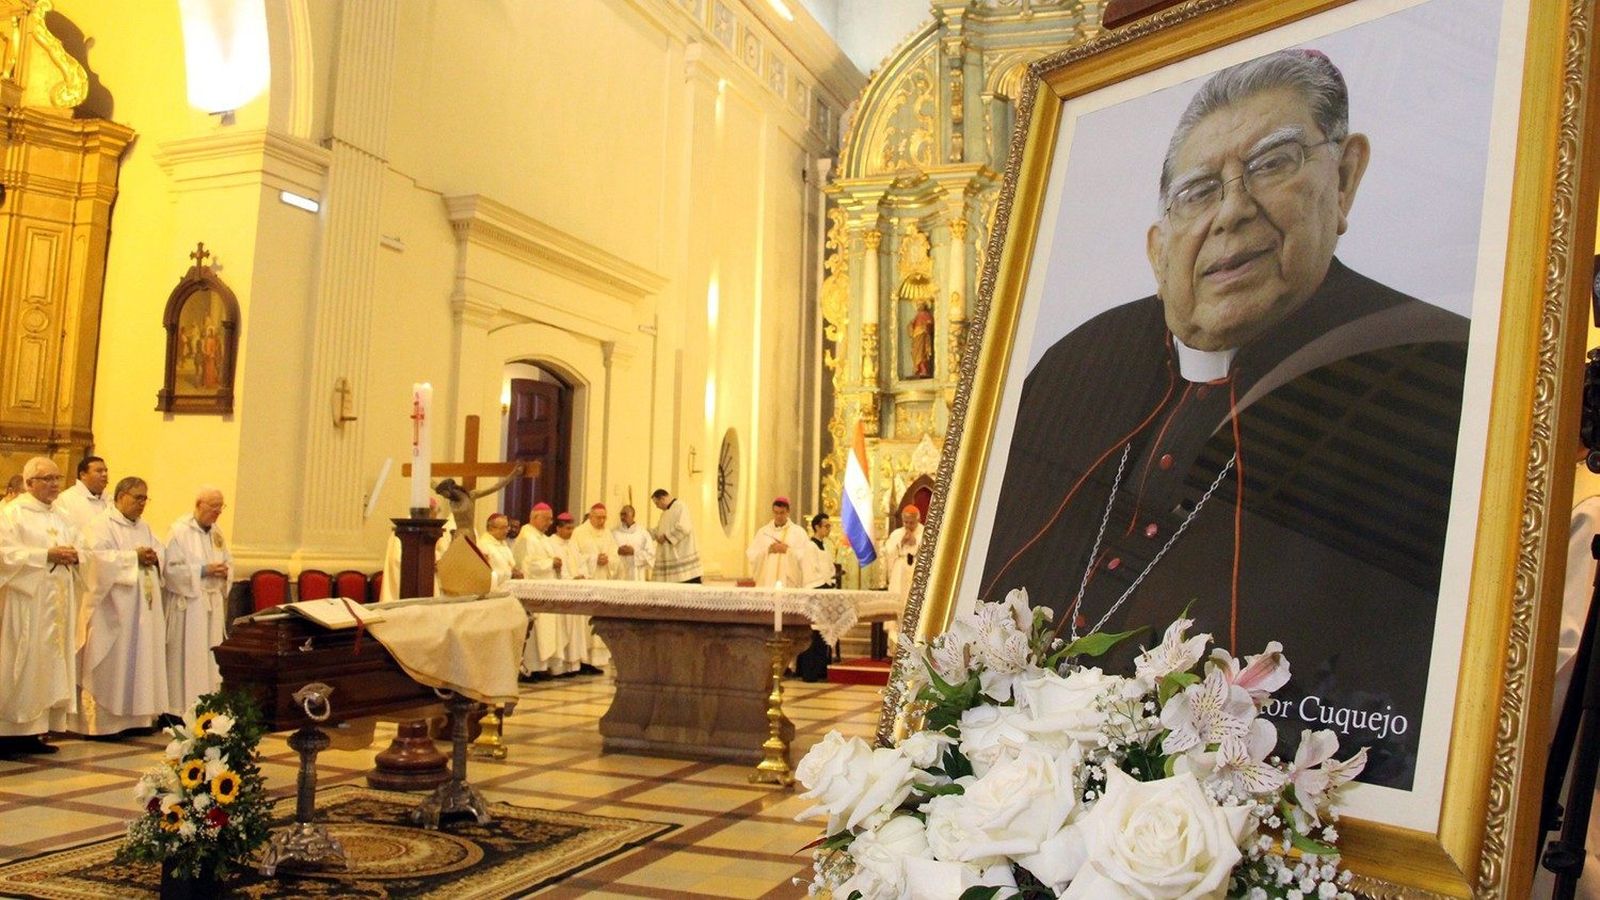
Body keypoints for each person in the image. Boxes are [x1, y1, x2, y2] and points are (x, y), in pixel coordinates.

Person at [978, 48, 1468, 790]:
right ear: (1157, 247)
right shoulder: (1073, 367)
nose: (1232, 210)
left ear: (1346, 176)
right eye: (1198, 191)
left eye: (1273, 163)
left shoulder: (1432, 368)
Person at [72, 477, 168, 736]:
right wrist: (132, 558)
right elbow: (93, 562)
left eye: (145, 499)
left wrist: (154, 556)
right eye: (138, 498)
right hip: (112, 610)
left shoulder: (144, 526)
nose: (142, 504)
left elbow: (160, 550)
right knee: (114, 661)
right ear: (121, 495)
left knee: (140, 658)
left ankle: (137, 718)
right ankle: (106, 723)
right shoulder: (100, 526)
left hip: (142, 609)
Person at [0, 458, 83, 755]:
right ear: (29, 482)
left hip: (56, 601)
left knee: (47, 664)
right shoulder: (12, 514)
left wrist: (75, 554)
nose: (54, 484)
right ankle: (7, 733)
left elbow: (79, 545)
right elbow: (4, 553)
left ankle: (34, 731)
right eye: (47, 478)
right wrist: (46, 555)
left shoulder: (59, 515)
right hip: (25, 602)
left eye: (57, 478)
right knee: (20, 661)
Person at [163, 487, 231, 716]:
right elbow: (170, 569)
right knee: (187, 656)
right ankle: (178, 708)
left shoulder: (217, 533)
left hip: (211, 602)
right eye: (213, 507)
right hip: (189, 604)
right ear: (199, 504)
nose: (217, 512)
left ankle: (207, 705)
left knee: (209, 656)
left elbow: (227, 560)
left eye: (220, 507)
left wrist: (225, 572)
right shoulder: (179, 531)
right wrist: (202, 570)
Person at [745, 497, 809, 588]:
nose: (779, 516)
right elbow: (752, 554)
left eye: (782, 513)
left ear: (788, 512)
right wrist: (768, 550)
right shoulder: (763, 532)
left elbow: (807, 557)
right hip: (768, 580)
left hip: (789, 582)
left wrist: (788, 550)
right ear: (773, 512)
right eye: (776, 513)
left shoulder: (798, 532)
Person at [650, 488, 703, 583]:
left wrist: (666, 537)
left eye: (657, 503)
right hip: (672, 558)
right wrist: (643, 533)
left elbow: (684, 527)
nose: (657, 507)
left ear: (662, 498)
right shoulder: (666, 513)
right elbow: (660, 529)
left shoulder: (681, 507)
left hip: (683, 557)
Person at [55, 455, 109, 531]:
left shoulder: (111, 500)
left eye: (105, 471)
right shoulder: (65, 500)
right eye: (99, 471)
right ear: (83, 475)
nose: (104, 474)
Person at [882, 505, 923, 603]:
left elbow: (931, 554)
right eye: (906, 522)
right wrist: (901, 543)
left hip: (917, 569)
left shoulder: (926, 532)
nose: (908, 525)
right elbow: (888, 551)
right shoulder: (897, 533)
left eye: (911, 523)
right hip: (899, 570)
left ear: (918, 520)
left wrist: (916, 543)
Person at [572, 503, 620, 580]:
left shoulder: (608, 533)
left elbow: (615, 555)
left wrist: (608, 559)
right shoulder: (579, 532)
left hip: (604, 577)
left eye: (604, 518)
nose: (602, 521)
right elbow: (574, 557)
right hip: (586, 579)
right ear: (590, 517)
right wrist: (594, 559)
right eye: (599, 518)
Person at [612, 504, 654, 581]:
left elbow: (651, 555)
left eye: (625, 514)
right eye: (621, 514)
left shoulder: (643, 533)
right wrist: (617, 551)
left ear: (633, 515)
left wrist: (634, 552)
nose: (622, 517)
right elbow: (608, 552)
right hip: (618, 575)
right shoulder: (614, 533)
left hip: (636, 575)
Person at [481, 512, 519, 589]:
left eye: (507, 527)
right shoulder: (483, 545)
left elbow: (511, 566)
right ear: (491, 528)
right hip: (493, 590)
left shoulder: (503, 544)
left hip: (507, 589)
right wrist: (511, 574)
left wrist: (515, 571)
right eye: (503, 528)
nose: (507, 531)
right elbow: (485, 574)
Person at [804, 513, 839, 589]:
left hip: (826, 588)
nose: (829, 529)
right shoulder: (810, 546)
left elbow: (831, 568)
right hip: (814, 589)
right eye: (826, 526)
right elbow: (812, 570)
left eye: (830, 526)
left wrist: (832, 582)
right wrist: (823, 584)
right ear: (817, 527)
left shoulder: (825, 547)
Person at [908, 300, 935, 378]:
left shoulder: (927, 315)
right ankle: (918, 369)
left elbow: (930, 324)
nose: (919, 306)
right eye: (918, 305)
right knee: (915, 352)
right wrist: (911, 325)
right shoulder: (916, 316)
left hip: (923, 336)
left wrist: (926, 327)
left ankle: (924, 370)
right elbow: (912, 326)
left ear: (925, 306)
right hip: (916, 336)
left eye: (921, 304)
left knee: (923, 353)